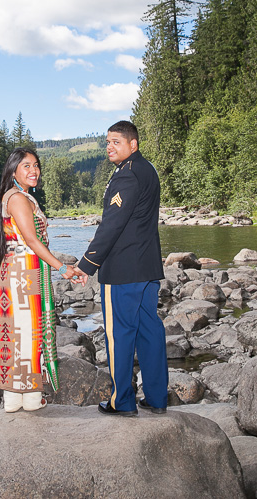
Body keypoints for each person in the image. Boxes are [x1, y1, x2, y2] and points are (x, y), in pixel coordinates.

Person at [75, 120, 168, 416]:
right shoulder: (147, 169)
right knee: (150, 330)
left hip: (124, 269)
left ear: (133, 144)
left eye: (116, 141)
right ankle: (156, 398)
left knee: (121, 334)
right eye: (107, 142)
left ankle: (122, 401)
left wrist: (86, 265)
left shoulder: (127, 176)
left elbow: (112, 225)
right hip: (148, 266)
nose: (110, 147)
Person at [0, 148, 82, 412]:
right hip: (23, 270)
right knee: (28, 332)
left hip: (20, 268)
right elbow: (31, 240)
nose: (34, 170)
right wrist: (62, 267)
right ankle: (27, 397)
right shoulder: (17, 198)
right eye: (26, 166)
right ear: (14, 170)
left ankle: (16, 398)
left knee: (19, 331)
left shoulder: (20, 197)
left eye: (36, 165)